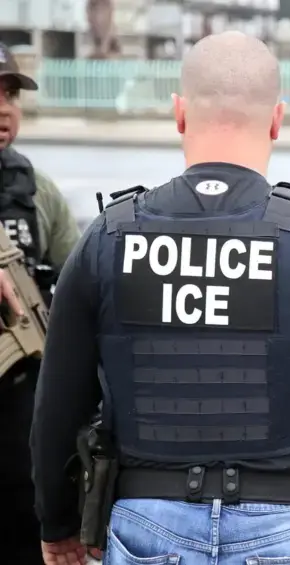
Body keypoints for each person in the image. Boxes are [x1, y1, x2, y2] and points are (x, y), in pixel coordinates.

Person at [30, 32, 290, 565]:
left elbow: (56, 407)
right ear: (276, 120)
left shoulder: (109, 236)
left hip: (146, 523)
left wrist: (57, 524)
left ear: (178, 114)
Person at [0, 42, 82, 565]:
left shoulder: (36, 193)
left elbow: (80, 295)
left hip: (19, 415)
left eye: (10, 94)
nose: (5, 108)